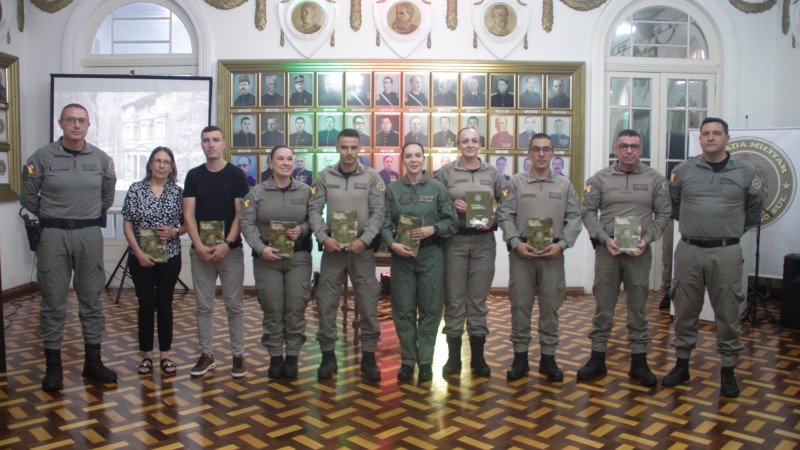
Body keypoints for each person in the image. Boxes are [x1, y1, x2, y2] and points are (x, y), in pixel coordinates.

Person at [663, 117, 764, 398]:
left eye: (716, 133)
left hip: (726, 251)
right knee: (684, 309)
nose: (710, 137)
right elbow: (675, 205)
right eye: (705, 133)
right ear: (700, 139)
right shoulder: (683, 170)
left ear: (727, 138)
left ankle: (728, 371)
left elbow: (754, 209)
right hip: (689, 250)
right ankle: (682, 366)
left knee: (728, 312)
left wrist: (729, 230)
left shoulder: (745, 172)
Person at [21, 103, 117, 391]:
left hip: (88, 233)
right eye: (71, 120)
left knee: (91, 299)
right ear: (60, 123)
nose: (77, 125)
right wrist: (54, 215)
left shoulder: (101, 159)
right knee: (53, 301)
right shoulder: (41, 157)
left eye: (82, 121)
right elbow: (28, 196)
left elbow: (106, 198)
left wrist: (84, 215)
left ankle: (93, 363)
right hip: (53, 235)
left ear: (89, 125)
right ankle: (53, 367)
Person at [579, 129, 671, 387]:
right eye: (624, 146)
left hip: (638, 252)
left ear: (641, 149)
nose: (629, 150)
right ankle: (597, 359)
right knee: (603, 305)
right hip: (608, 251)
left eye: (634, 146)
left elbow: (663, 213)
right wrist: (602, 238)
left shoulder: (655, 180)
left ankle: (639, 362)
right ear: (616, 149)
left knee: (638, 307)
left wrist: (647, 239)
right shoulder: (599, 179)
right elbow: (587, 211)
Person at [496, 133, 582, 382]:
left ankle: (548, 359)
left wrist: (563, 244)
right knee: (520, 306)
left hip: (552, 254)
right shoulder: (515, 183)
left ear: (554, 153)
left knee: (550, 308)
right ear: (529, 154)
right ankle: (520, 358)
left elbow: (574, 217)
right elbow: (505, 215)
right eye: (536, 149)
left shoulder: (564, 185)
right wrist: (514, 243)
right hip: (522, 253)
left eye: (546, 149)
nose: (542, 154)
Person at [309, 129, 386, 381]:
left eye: (354, 147)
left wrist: (364, 240)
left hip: (361, 250)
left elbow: (378, 213)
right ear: (337, 148)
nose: (349, 152)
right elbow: (314, 210)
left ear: (360, 148)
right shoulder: (324, 176)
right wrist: (323, 237)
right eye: (344, 147)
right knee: (326, 303)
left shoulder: (372, 177)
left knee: (367, 303)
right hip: (333, 250)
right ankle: (328, 356)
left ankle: (368, 356)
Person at [382, 142, 458, 382]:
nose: (413, 160)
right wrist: (392, 244)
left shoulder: (437, 189)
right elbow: (383, 223)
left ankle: (425, 361)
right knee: (403, 310)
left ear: (423, 159)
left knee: (430, 310)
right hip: (402, 257)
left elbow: (452, 222)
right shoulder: (392, 189)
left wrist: (432, 229)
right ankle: (408, 361)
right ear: (402, 159)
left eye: (418, 155)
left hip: (430, 256)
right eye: (408, 156)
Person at [240, 145, 313, 379]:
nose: (285, 162)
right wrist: (260, 249)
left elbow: (314, 220)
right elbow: (246, 223)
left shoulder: (305, 191)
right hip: (266, 259)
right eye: (280, 158)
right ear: (270, 163)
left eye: (290, 158)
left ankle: (292, 356)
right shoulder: (255, 193)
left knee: (295, 307)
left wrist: (302, 229)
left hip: (298, 258)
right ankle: (274, 356)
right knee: (272, 308)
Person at [435, 127, 504, 378]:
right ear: (458, 145)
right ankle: (454, 358)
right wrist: (452, 206)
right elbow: (436, 204)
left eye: (475, 141)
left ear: (481, 144)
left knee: (477, 300)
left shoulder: (493, 173)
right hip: (455, 241)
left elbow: (507, 205)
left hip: (484, 242)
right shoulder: (446, 173)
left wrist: (494, 219)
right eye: (465, 141)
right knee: (454, 299)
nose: (470, 145)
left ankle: (478, 357)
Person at [183, 126, 250, 378]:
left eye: (215, 140)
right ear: (201, 145)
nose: (210, 144)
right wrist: (199, 246)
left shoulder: (236, 175)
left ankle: (238, 355)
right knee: (203, 306)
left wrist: (227, 244)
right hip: (200, 252)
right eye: (205, 140)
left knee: (234, 306)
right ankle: (206, 355)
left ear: (224, 144)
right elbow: (188, 213)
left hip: (230, 253)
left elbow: (241, 213)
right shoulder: (193, 175)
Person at [122, 147, 185, 376]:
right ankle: (146, 355)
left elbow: (188, 223)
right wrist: (138, 252)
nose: (161, 165)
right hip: (141, 257)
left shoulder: (178, 192)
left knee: (165, 305)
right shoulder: (136, 189)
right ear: (150, 164)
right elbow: (128, 224)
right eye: (157, 161)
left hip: (170, 257)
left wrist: (175, 232)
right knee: (146, 306)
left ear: (171, 166)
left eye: (166, 162)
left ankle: (165, 355)